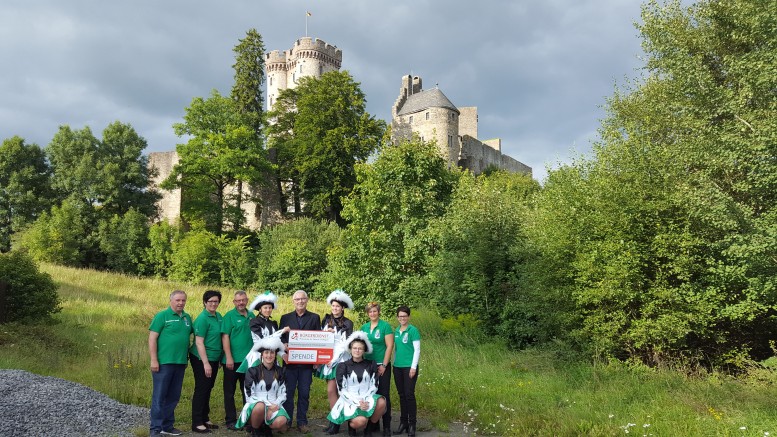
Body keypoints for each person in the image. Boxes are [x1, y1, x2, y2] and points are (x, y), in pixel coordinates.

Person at [148, 290, 192, 437]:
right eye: (178, 300)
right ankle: (155, 428)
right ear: (171, 301)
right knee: (159, 396)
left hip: (180, 363)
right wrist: (154, 359)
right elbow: (152, 338)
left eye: (183, 300)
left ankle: (167, 426)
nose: (180, 303)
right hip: (163, 363)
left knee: (173, 396)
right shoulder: (162, 316)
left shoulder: (187, 318)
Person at [327, 331, 387, 437]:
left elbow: (374, 385)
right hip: (349, 400)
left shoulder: (371, 364)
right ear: (350, 349)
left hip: (366, 397)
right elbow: (342, 390)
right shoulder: (342, 366)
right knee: (360, 421)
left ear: (364, 350)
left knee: (382, 402)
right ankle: (352, 427)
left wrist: (365, 400)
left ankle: (368, 430)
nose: (357, 351)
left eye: (360, 348)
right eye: (355, 348)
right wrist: (358, 402)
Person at [278, 289, 320, 434]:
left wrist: (318, 359)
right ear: (293, 301)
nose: (300, 301)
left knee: (304, 392)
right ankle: (287, 421)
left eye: (303, 299)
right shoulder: (285, 318)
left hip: (307, 365)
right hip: (289, 363)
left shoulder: (315, 318)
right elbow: (280, 338)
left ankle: (302, 422)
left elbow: (319, 340)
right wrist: (283, 345)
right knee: (288, 392)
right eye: (297, 299)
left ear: (307, 300)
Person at [236, 335, 290, 437]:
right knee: (260, 406)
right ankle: (255, 430)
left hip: (274, 404)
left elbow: (283, 393)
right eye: (266, 352)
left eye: (272, 353)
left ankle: (266, 428)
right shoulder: (252, 371)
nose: (269, 355)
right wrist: (267, 405)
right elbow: (249, 395)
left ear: (275, 355)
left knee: (281, 421)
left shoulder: (281, 371)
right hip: (256, 404)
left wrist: (276, 405)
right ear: (262, 354)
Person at [318, 289, 355, 435]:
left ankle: (341, 422)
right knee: (331, 391)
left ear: (343, 308)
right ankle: (335, 420)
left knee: (342, 391)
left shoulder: (348, 323)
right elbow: (321, 340)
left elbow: (345, 345)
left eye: (338, 306)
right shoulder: (326, 320)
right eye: (333, 306)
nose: (335, 309)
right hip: (327, 359)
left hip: (340, 361)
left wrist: (333, 360)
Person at [189, 290, 224, 433]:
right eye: (210, 301)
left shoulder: (218, 316)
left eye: (216, 301)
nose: (213, 304)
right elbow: (199, 342)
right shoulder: (202, 318)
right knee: (202, 388)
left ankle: (205, 417)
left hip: (214, 358)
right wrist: (205, 363)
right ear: (204, 302)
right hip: (201, 358)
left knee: (209, 387)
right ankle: (197, 422)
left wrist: (220, 358)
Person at [221, 290, 254, 431]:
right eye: (238, 300)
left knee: (247, 391)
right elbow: (225, 337)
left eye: (243, 300)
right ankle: (230, 420)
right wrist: (228, 356)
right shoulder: (229, 316)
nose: (241, 302)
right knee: (229, 392)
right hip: (232, 361)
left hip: (249, 361)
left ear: (247, 300)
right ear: (234, 302)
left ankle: (247, 419)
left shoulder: (252, 315)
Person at [360, 302, 394, 437]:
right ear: (367, 314)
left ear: (378, 312)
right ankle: (373, 424)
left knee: (384, 395)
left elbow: (390, 346)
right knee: (370, 394)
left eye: (374, 311)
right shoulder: (364, 327)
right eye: (370, 312)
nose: (372, 314)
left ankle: (386, 426)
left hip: (382, 364)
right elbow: (360, 346)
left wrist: (384, 365)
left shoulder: (385, 326)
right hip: (367, 365)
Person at [239, 291, 289, 373]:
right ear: (260, 309)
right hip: (258, 357)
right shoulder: (254, 322)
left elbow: (277, 341)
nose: (268, 310)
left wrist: (283, 354)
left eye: (270, 308)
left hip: (271, 357)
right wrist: (282, 331)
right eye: (265, 308)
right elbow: (264, 341)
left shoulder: (273, 323)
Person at [392, 306, 420, 437]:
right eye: (400, 316)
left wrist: (413, 367)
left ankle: (412, 424)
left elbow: (417, 350)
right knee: (401, 395)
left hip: (409, 367)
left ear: (408, 317)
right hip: (397, 367)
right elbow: (396, 349)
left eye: (404, 316)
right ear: (397, 317)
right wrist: (394, 362)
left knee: (409, 395)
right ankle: (404, 423)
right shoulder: (396, 330)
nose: (402, 318)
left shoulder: (413, 330)